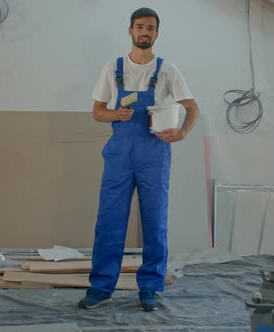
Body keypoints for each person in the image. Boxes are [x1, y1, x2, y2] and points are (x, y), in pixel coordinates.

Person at [78, 7, 200, 312]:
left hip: (154, 154)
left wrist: (183, 132)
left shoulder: (167, 70)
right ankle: (101, 287)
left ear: (157, 33)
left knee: (155, 222)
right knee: (109, 222)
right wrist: (114, 114)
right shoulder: (112, 68)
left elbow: (192, 107)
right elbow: (97, 111)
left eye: (150, 28)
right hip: (119, 154)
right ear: (130, 31)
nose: (144, 32)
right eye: (139, 27)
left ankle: (149, 287)